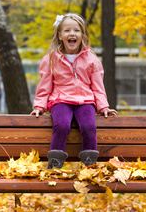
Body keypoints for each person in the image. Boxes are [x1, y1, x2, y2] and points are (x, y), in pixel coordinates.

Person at [30, 13, 117, 169]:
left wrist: (103, 107)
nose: (72, 34)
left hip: (85, 101)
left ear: (82, 35)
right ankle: (55, 165)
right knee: (62, 125)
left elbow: (98, 86)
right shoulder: (51, 58)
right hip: (60, 100)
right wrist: (39, 107)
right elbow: (44, 86)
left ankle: (89, 166)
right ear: (60, 35)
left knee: (89, 126)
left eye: (76, 30)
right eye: (67, 30)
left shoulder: (91, 59)